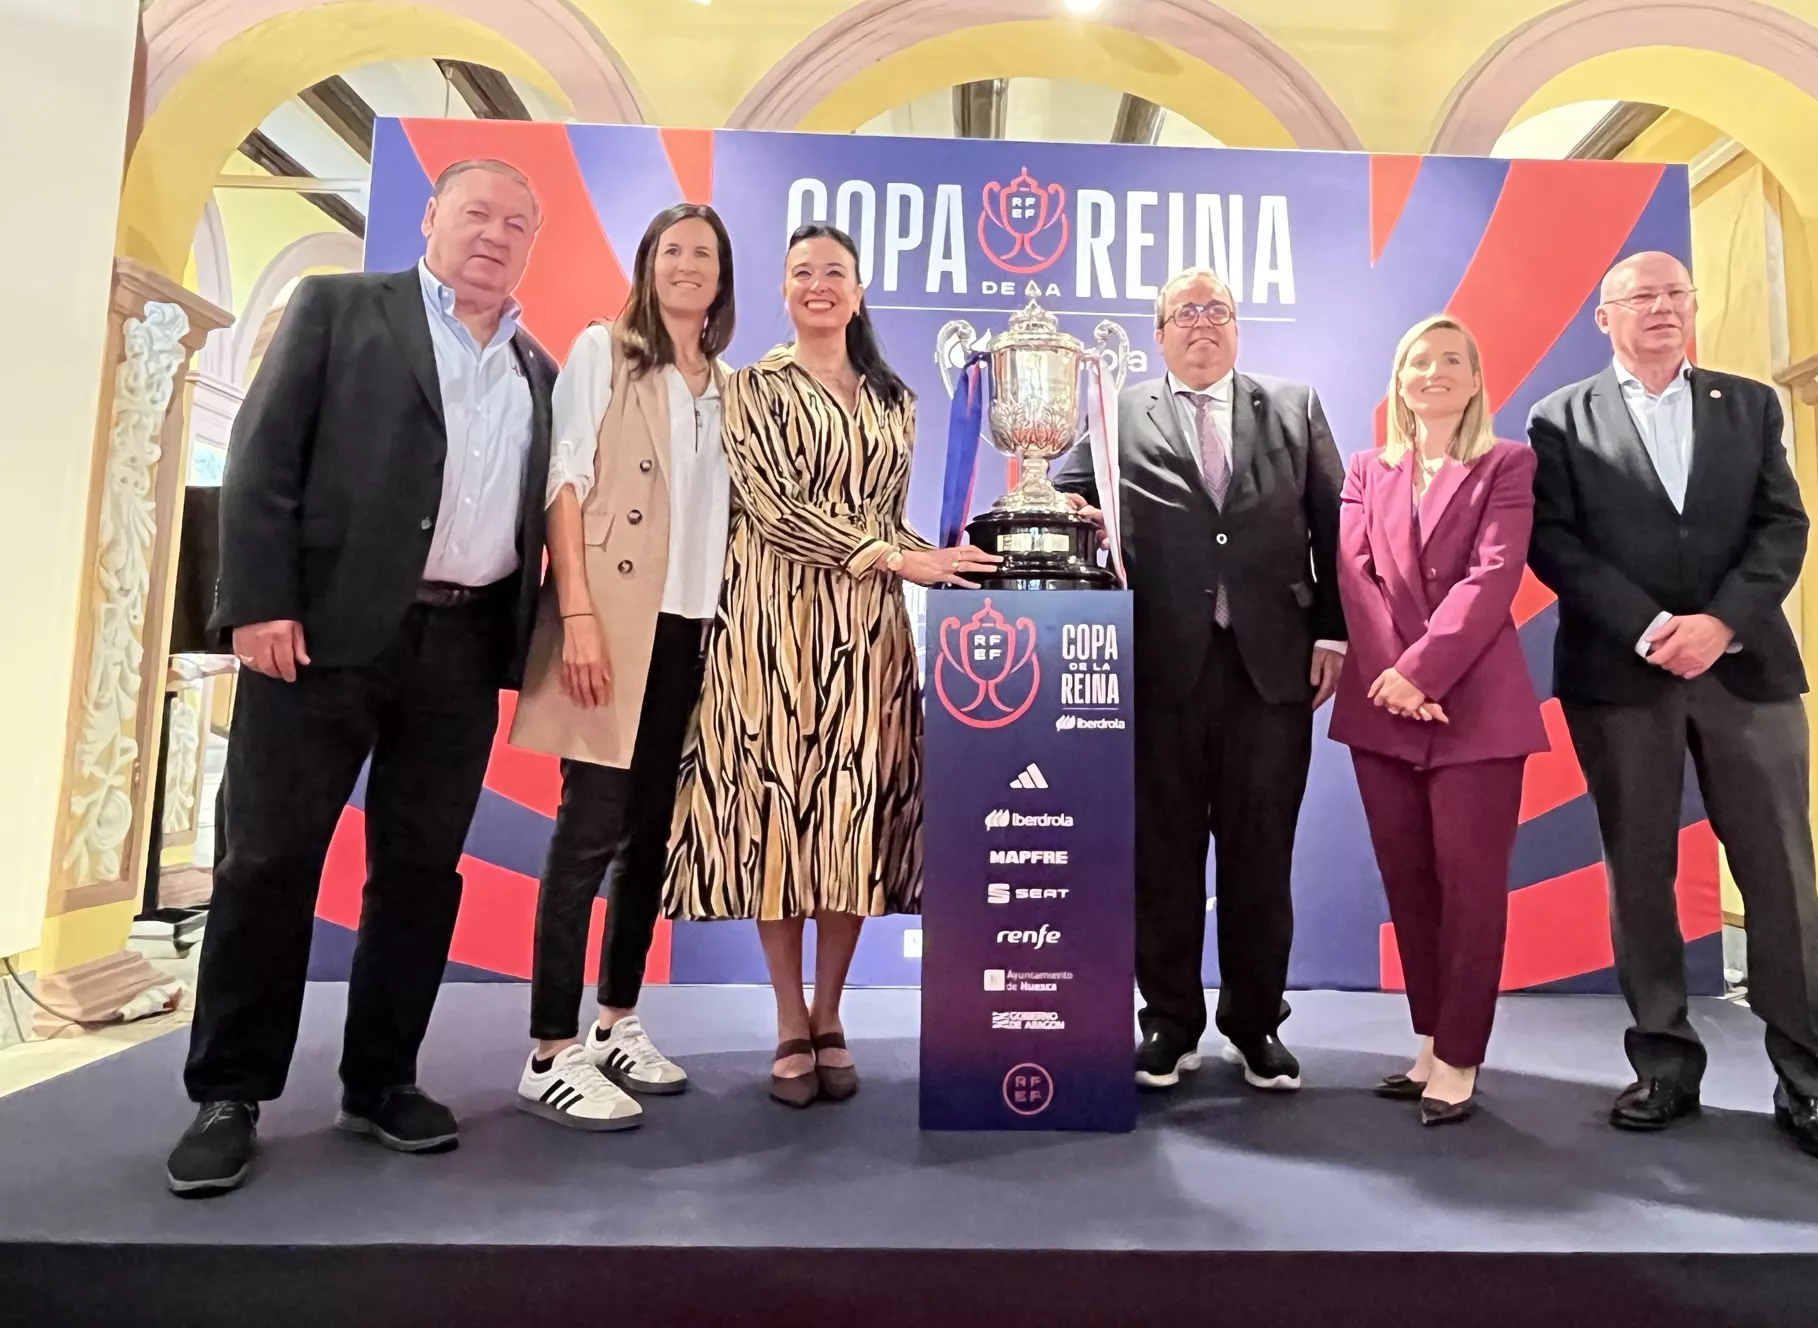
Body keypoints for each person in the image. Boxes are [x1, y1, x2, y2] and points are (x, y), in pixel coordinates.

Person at [170, 160, 557, 1196]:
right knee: (266, 860)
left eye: (515, 222)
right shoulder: (339, 309)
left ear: (531, 245)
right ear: (431, 217)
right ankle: (229, 1093)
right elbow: (262, 459)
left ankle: (381, 1080)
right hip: (315, 638)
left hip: (463, 650)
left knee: (423, 874)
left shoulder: (538, 370)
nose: (493, 233)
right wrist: (255, 600)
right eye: (476, 211)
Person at [1526, 250, 1818, 1163]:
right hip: (1622, 677)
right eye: (1642, 297)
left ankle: (1813, 1085)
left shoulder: (1748, 405)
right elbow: (1553, 542)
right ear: (1606, 317)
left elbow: (1781, 526)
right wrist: (1648, 628)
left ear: (1694, 308)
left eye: (1676, 295)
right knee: (1640, 876)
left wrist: (1720, 623)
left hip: (1744, 672)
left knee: (1782, 882)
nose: (1662, 309)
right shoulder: (1560, 418)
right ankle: (1666, 1067)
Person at [666, 222, 997, 1108]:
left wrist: (968, 556)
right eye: (802, 273)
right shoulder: (756, 387)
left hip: (869, 636)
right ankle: (784, 1016)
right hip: (769, 629)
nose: (818, 285)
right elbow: (771, 511)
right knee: (779, 813)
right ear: (783, 291)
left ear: (859, 292)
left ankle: (830, 1010)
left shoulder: (895, 397)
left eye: (835, 273)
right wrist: (899, 560)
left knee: (852, 814)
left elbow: (890, 523)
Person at [1058, 267, 1346, 1094]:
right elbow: (1061, 495)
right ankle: (1171, 1023)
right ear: (1159, 335)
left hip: (1273, 672)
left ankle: (1256, 1026)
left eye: (1215, 309)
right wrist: (1063, 519)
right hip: (1158, 671)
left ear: (1236, 326)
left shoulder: (1291, 406)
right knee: (1163, 860)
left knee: (1262, 858)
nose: (1201, 324)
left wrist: (1334, 630)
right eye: (1183, 313)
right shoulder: (1116, 416)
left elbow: (1333, 523)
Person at [507, 203, 736, 1131]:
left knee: (649, 834)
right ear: (648, 264)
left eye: (704, 255)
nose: (687, 266)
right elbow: (564, 479)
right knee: (587, 828)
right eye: (672, 250)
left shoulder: (724, 382)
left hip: (693, 627)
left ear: (721, 278)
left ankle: (616, 1019)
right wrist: (580, 613)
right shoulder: (605, 350)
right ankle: (550, 1049)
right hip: (613, 618)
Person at [1328, 316, 1547, 1127]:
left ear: (1475, 375)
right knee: (1410, 882)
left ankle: (1460, 1054)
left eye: (1452, 359)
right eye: (1420, 360)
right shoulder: (1363, 470)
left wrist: (1418, 673)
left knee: (1471, 887)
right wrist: (1392, 679)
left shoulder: (1507, 464)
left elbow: (1495, 578)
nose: (1434, 372)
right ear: (1399, 377)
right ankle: (1429, 1040)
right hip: (1383, 711)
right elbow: (1355, 577)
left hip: (1474, 711)